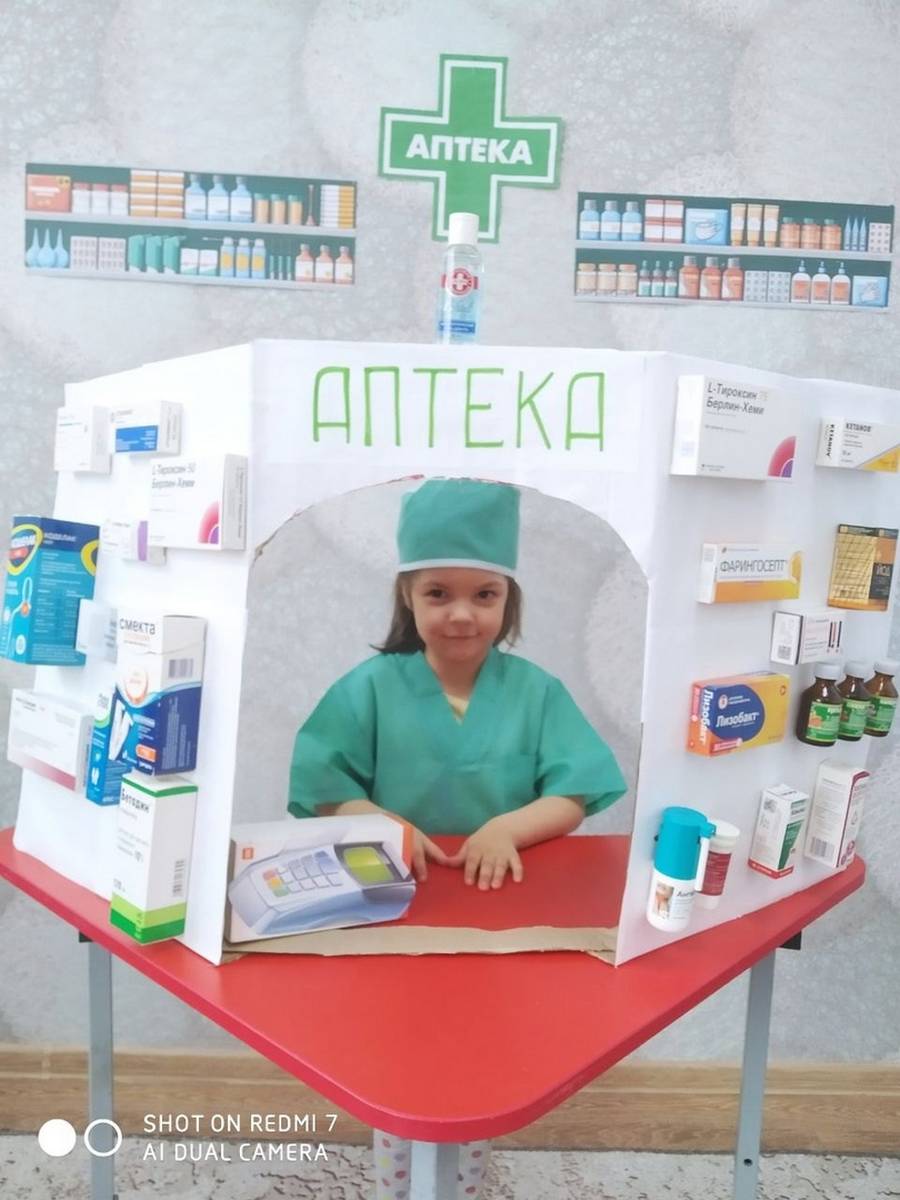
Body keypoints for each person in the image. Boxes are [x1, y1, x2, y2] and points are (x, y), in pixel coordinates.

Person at [287, 478, 627, 1200]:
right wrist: (381, 822)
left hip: (501, 913)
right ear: (406, 597)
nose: (463, 614)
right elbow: (323, 782)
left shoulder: (536, 693)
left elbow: (574, 791)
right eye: (438, 593)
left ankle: (465, 1184)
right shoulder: (370, 688)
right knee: (395, 1057)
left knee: (481, 1057)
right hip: (395, 908)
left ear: (510, 601)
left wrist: (508, 827)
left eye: (485, 594)